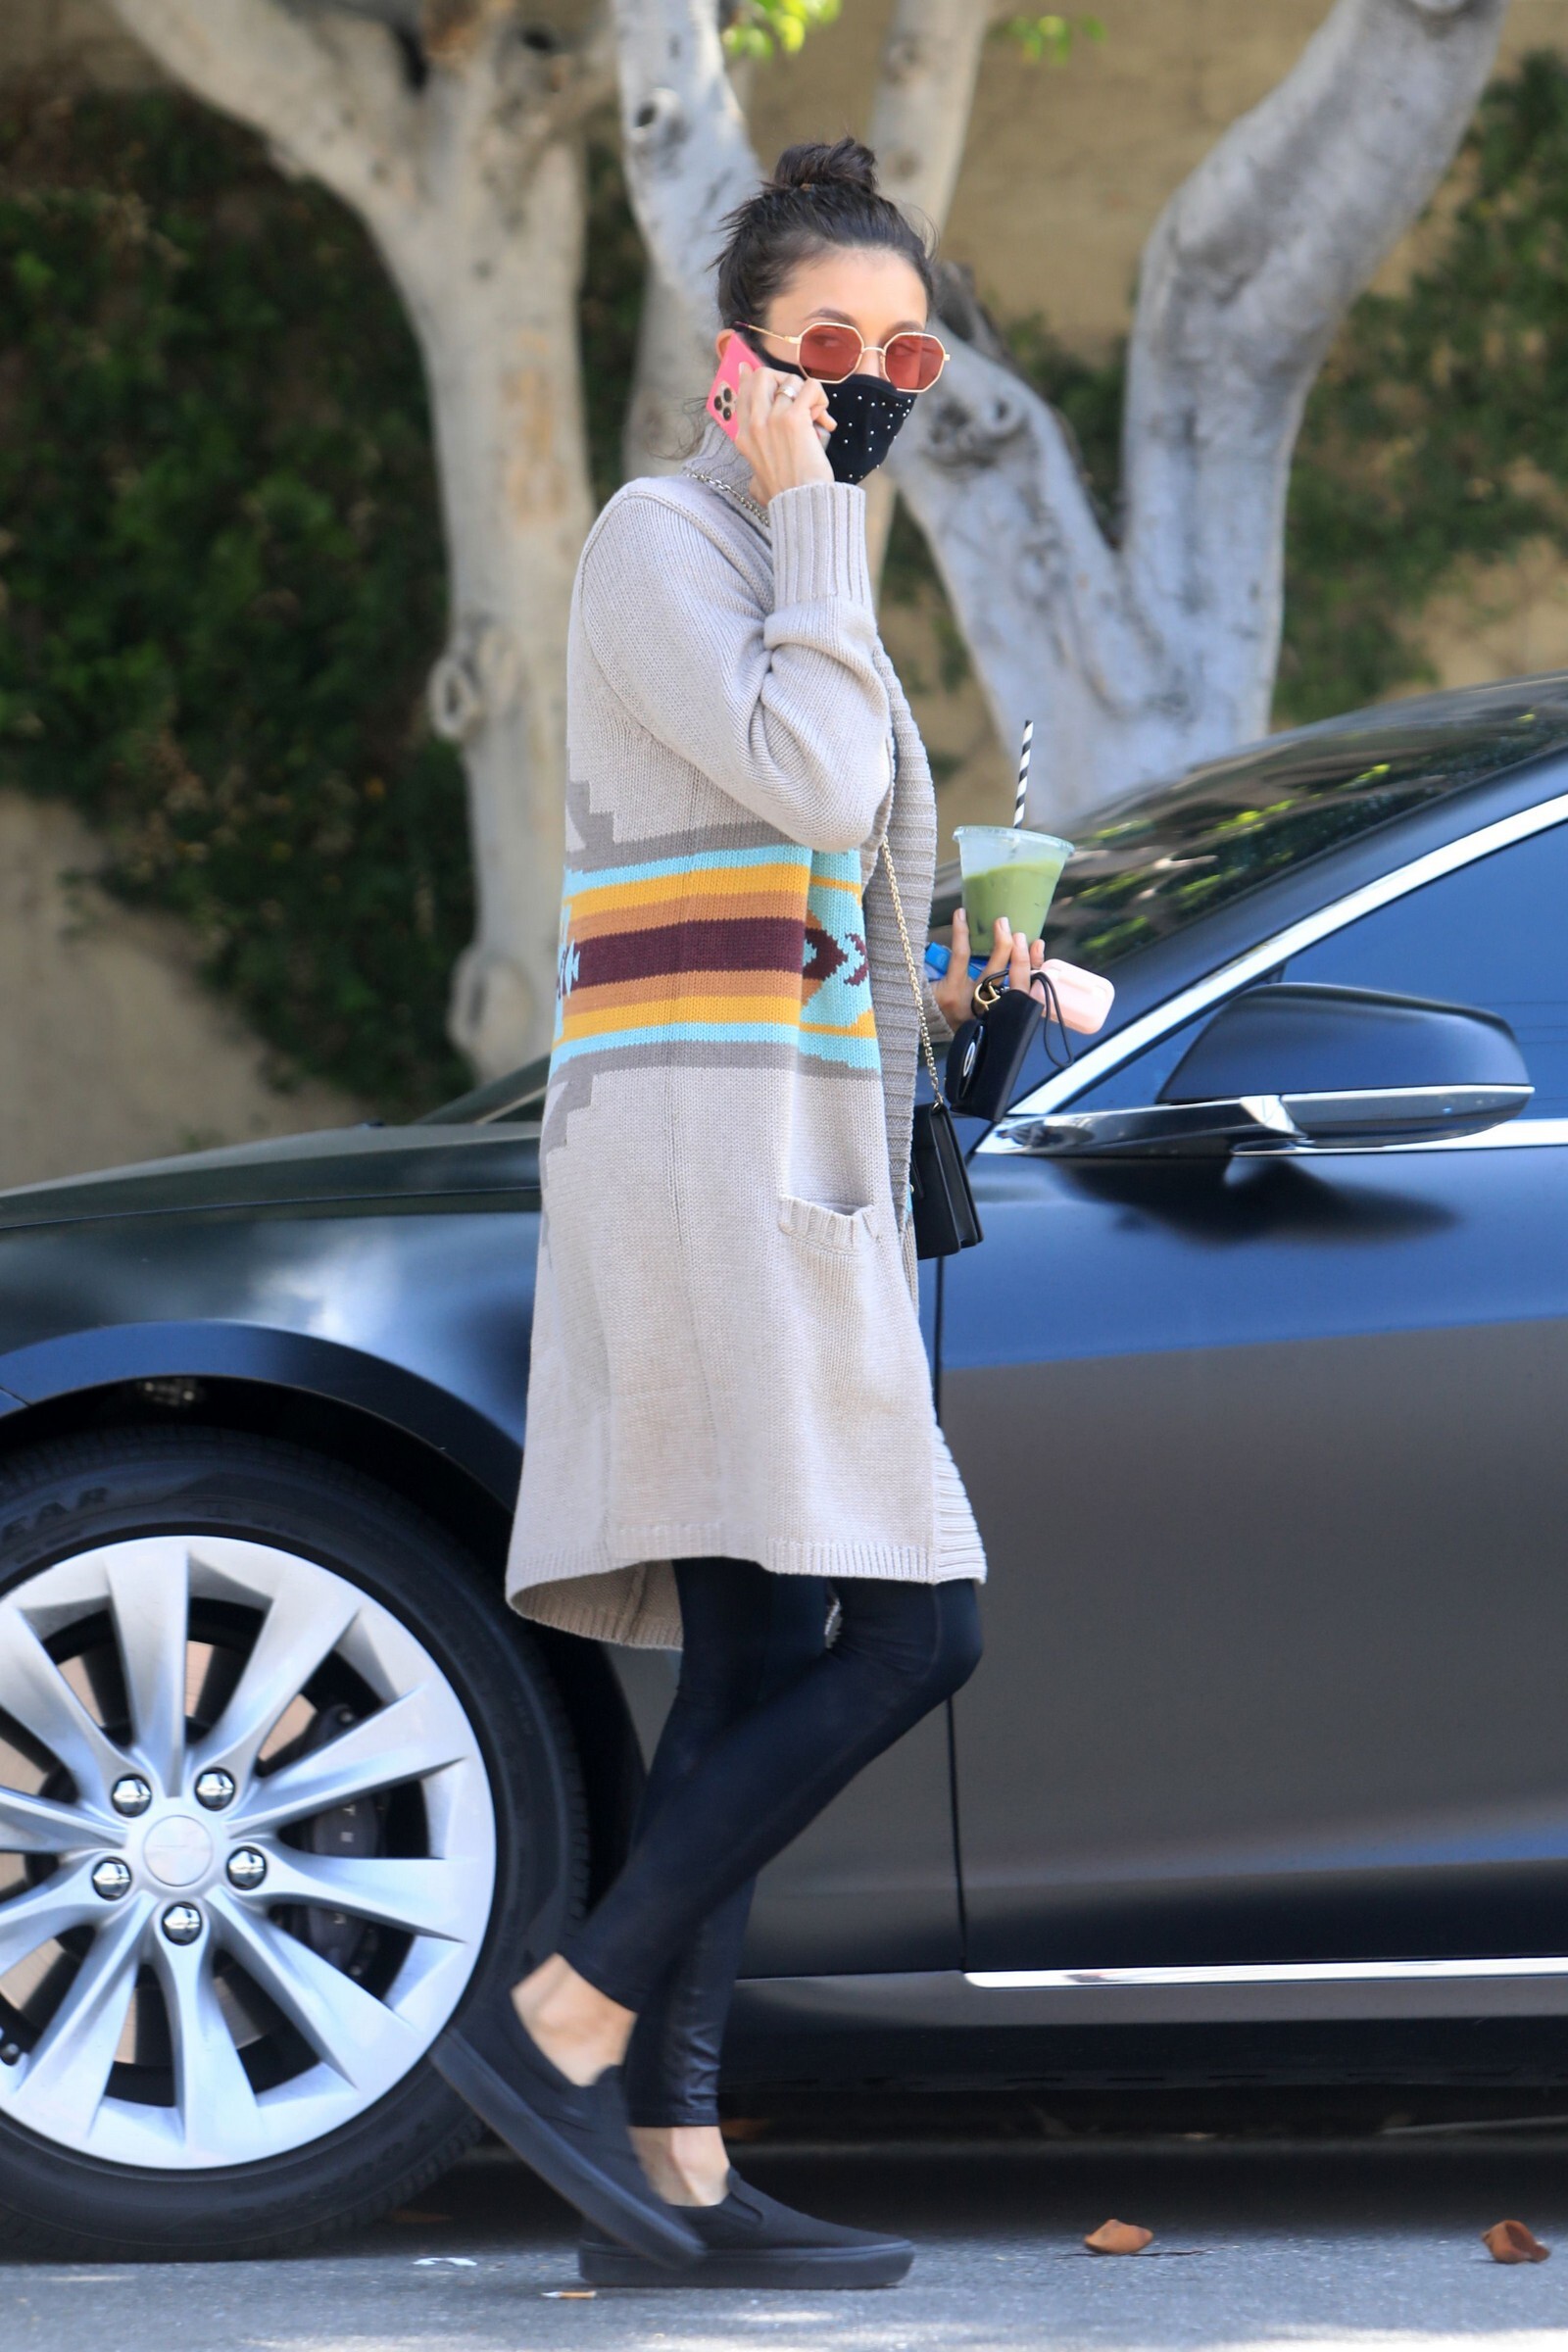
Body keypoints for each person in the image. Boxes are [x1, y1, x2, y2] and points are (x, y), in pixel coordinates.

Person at [432, 135, 1094, 2291]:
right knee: (919, 1628)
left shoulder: (779, 561)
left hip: (778, 1144)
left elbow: (787, 884)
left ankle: (678, 2172)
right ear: (741, 360)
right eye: (833, 344)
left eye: (907, 354)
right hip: (705, 1171)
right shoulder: (668, 538)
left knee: (753, 1658)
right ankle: (556, 2016)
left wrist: (953, 997)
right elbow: (805, 778)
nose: (872, 383)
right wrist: (818, 511)